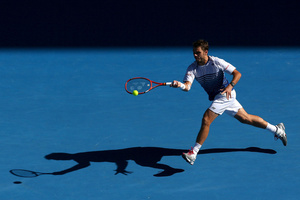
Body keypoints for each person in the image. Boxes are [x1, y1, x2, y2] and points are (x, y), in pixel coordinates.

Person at [171, 39, 287, 165]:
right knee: (246, 118)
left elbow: (237, 74)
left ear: (205, 52)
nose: (195, 55)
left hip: (224, 95)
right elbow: (187, 87)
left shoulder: (217, 62)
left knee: (206, 119)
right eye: (194, 53)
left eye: (198, 53)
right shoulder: (192, 68)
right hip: (218, 97)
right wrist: (180, 85)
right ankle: (277, 130)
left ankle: (193, 152)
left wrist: (230, 86)